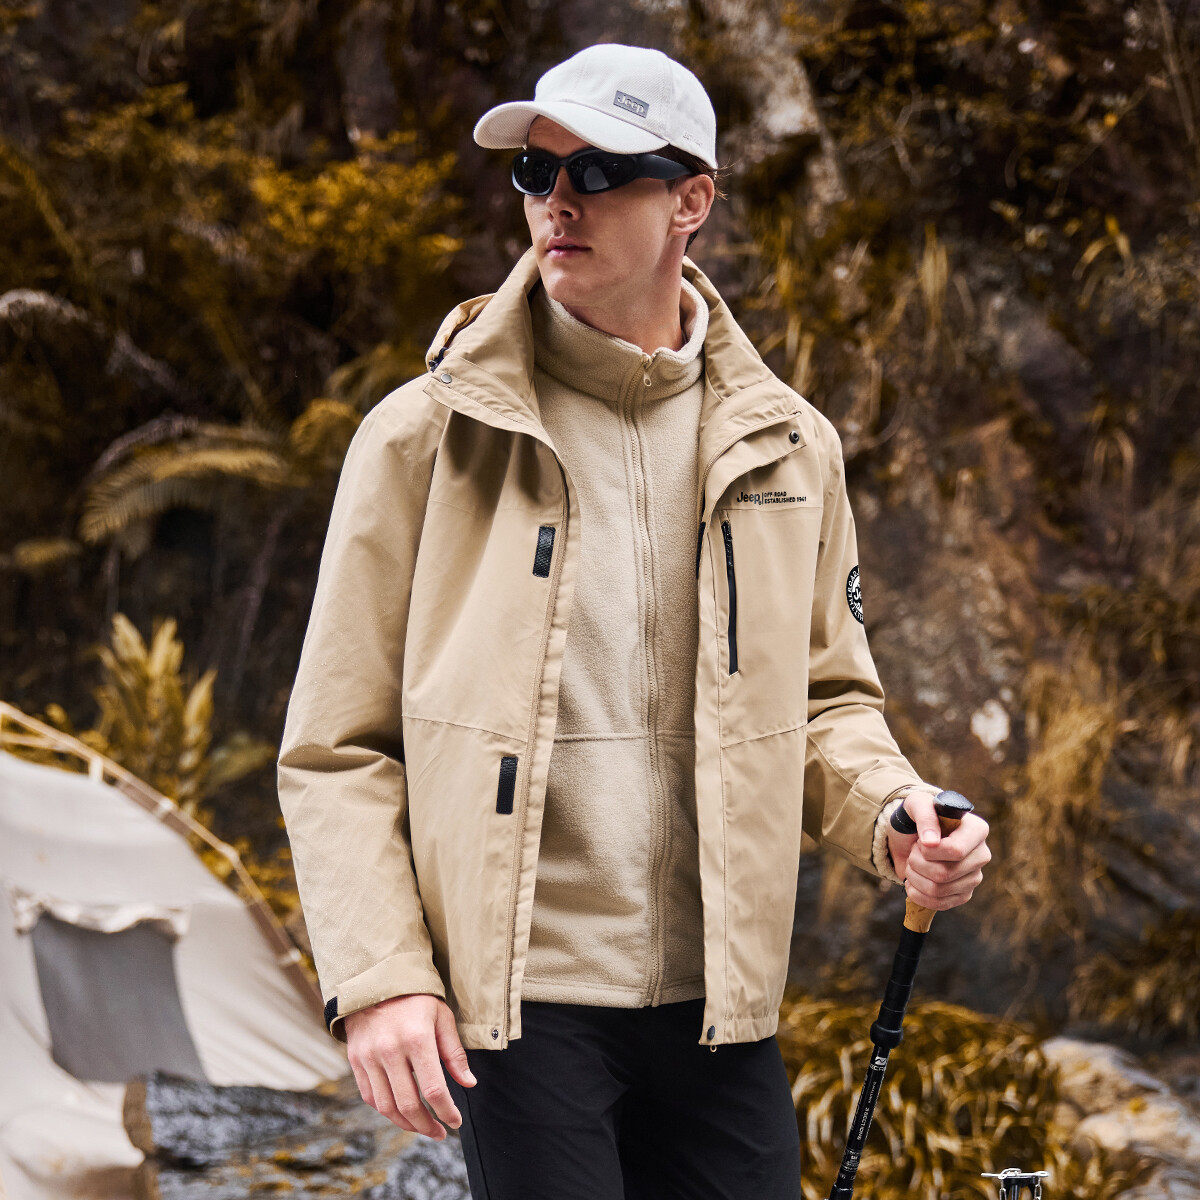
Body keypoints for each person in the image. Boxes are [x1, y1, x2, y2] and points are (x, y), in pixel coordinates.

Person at [277, 41, 991, 1200]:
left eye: (600, 173)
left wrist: (895, 813)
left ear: (691, 202)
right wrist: (383, 977)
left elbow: (824, 698)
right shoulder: (423, 437)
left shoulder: (790, 446)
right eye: (537, 172)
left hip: (723, 1005)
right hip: (525, 1007)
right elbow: (336, 748)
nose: (558, 202)